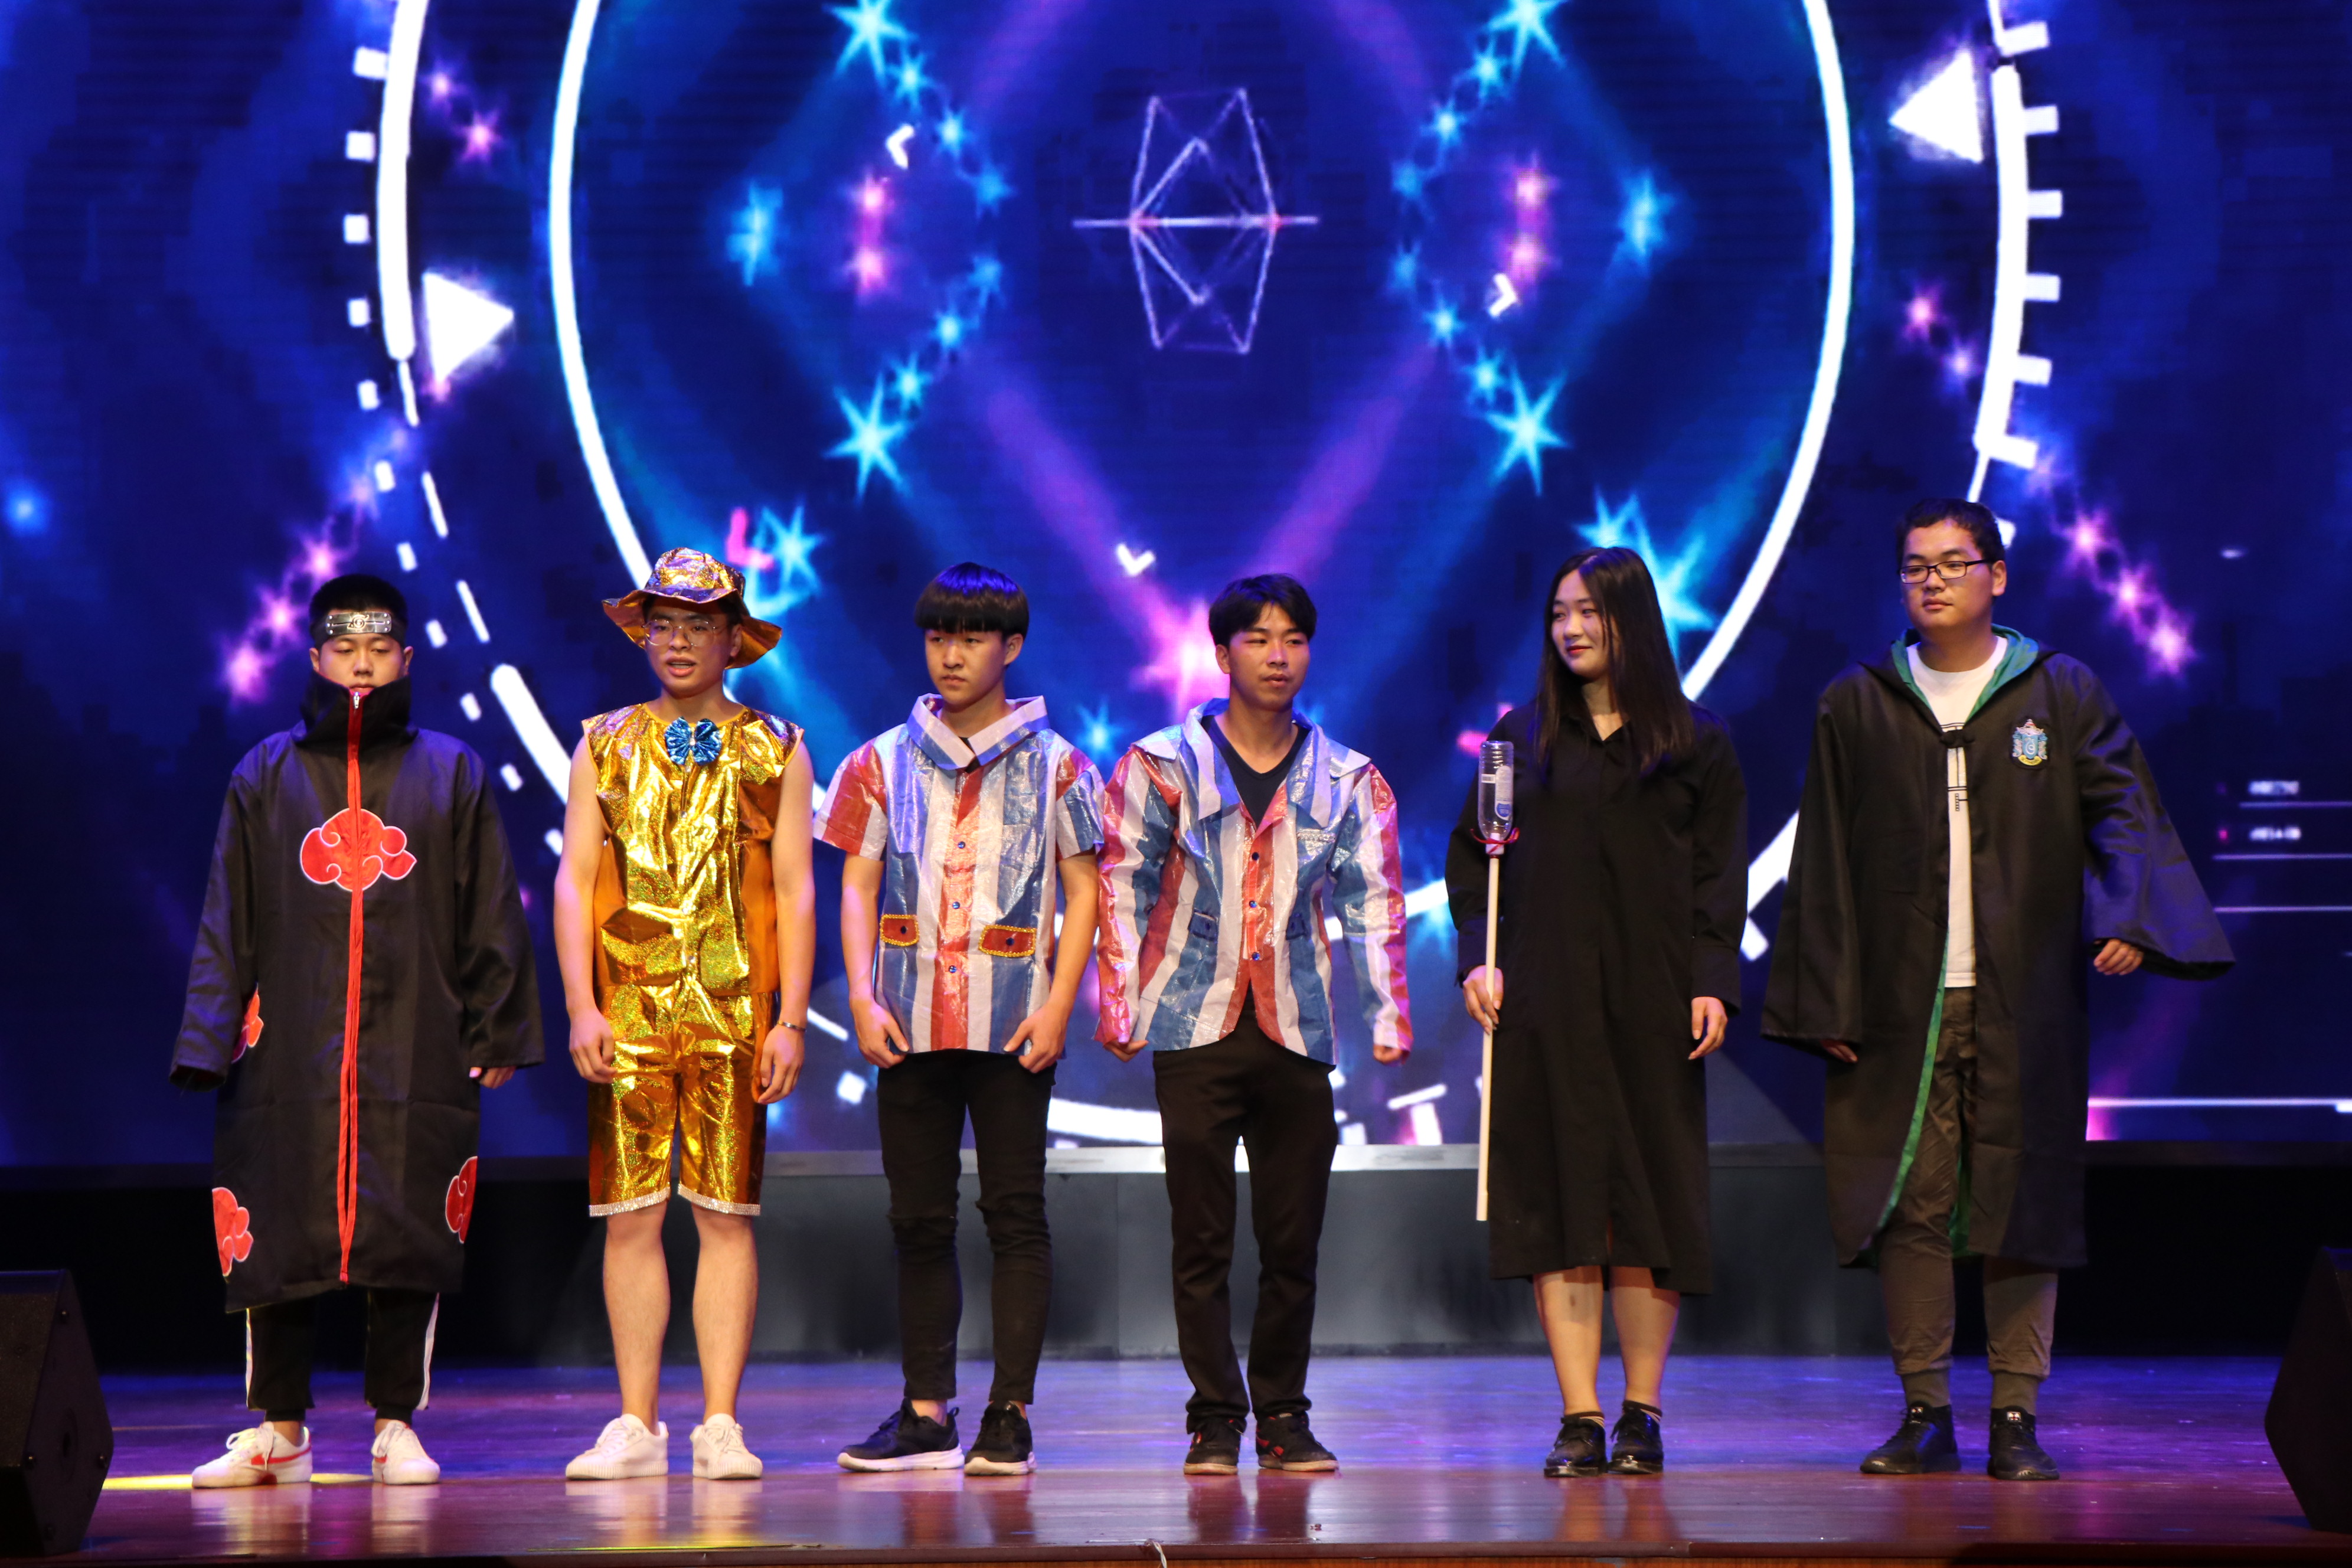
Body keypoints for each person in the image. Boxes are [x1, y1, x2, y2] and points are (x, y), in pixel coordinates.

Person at [1763, 499, 2232, 1481]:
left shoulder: (2057, 691)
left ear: (1997, 576)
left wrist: (2123, 914)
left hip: (2024, 995)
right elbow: (1825, 859)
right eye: (1914, 566)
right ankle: (1925, 1413)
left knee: (2025, 1200)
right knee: (1912, 1205)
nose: (1931, 581)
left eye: (1952, 563)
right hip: (1901, 1003)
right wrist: (1827, 998)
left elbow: (2123, 809)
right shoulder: (1859, 702)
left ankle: (2017, 1414)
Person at [171, 574, 541, 1488]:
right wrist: (209, 1037)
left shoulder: (450, 770)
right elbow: (227, 913)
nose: (363, 668)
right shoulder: (264, 774)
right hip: (288, 1043)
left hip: (416, 1034)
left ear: (407, 660)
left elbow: (490, 907)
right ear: (315, 659)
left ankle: (396, 1423)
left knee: (408, 1223)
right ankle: (280, 1427)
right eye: (345, 652)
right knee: (277, 1224)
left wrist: (497, 1024)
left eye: (379, 652)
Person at [1096, 574, 1413, 1476]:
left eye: (1295, 640)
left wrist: (1388, 1012)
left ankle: (1283, 1415)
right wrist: (1121, 1003)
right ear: (1222, 652)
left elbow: (1376, 903)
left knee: (1292, 1239)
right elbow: (1121, 885)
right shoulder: (1161, 763)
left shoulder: (1348, 779)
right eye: (1260, 639)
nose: (1278, 657)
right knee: (1200, 1238)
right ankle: (1214, 1418)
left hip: (1295, 1028)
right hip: (1192, 1026)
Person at [1446, 547, 1746, 1479]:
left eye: (1591, 612)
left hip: (1656, 1007)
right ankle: (1579, 1416)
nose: (1572, 629)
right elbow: (1473, 865)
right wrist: (1479, 960)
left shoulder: (1696, 743)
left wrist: (1712, 978)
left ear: (1633, 621)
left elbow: (1719, 877)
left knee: (1647, 1207)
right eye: (1559, 613)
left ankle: (1642, 1414)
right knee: (1563, 1207)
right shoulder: (1517, 743)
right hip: (1548, 1004)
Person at [815, 563, 1104, 1477]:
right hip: (906, 1024)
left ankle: (1009, 1415)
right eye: (938, 636)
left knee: (1015, 1216)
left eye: (972, 638)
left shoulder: (1060, 764)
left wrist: (1058, 1005)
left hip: (1015, 1026)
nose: (951, 655)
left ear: (1010, 647)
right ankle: (925, 1412)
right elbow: (856, 883)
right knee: (918, 1219)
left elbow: (1086, 891)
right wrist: (861, 997)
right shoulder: (878, 761)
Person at [554, 547, 816, 1482]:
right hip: (628, 1006)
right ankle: (635, 1422)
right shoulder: (604, 742)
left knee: (724, 1215)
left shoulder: (776, 745)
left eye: (697, 625)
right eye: (662, 624)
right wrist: (581, 1005)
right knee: (630, 1215)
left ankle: (720, 1423)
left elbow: (796, 887)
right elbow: (575, 877)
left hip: (735, 1006)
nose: (676, 641)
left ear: (731, 638)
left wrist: (790, 1019)